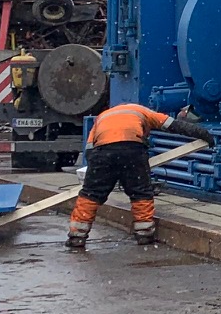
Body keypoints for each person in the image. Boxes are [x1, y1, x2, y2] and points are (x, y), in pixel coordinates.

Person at [67, 102, 213, 250]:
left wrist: (99, 172)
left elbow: (89, 149)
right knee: (140, 192)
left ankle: (77, 236)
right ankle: (144, 234)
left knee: (90, 195)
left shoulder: (103, 117)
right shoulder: (144, 112)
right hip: (133, 149)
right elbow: (175, 125)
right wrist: (204, 134)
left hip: (102, 152)